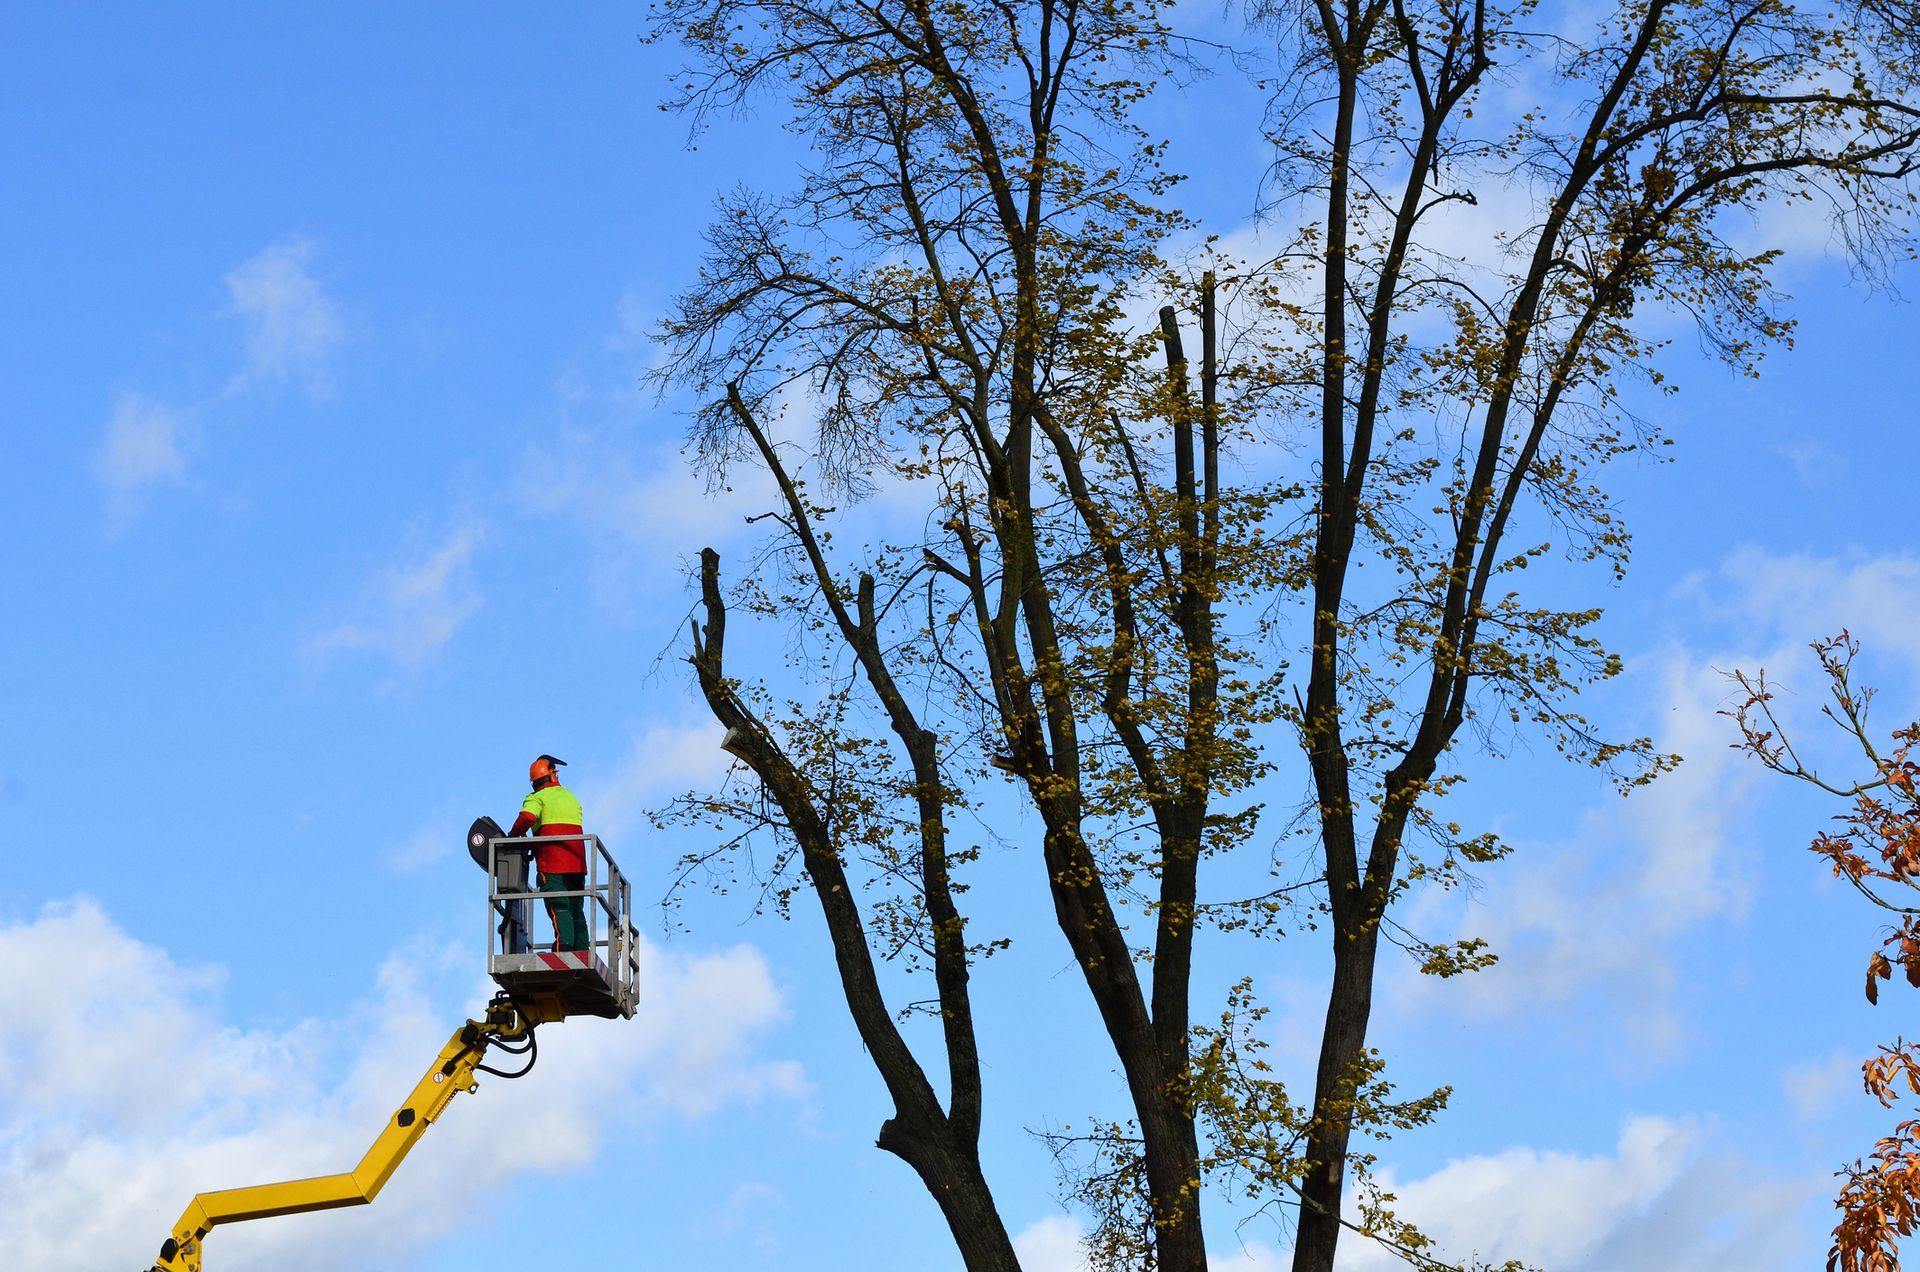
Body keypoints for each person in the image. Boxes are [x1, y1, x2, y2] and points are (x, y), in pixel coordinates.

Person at [508, 754, 589, 952]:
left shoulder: (537, 798)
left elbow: (527, 817)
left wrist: (512, 836)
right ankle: (582, 949)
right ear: (554, 775)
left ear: (534, 782)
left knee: (559, 905)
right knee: (576, 906)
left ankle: (565, 948)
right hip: (577, 863)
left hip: (552, 863)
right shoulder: (570, 796)